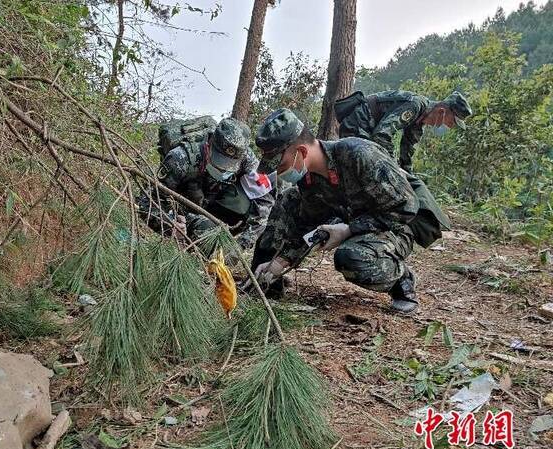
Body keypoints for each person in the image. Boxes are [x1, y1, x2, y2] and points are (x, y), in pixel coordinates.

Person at [250, 108, 450, 314]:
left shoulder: (360, 155)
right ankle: (264, 281)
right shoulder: (309, 180)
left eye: (281, 165)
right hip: (355, 221)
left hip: (397, 226)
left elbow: (406, 208)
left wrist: (349, 230)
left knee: (350, 258)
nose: (280, 172)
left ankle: (402, 280)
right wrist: (280, 262)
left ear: (301, 152)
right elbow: (308, 224)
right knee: (290, 198)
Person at [140, 117, 274, 249]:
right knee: (205, 227)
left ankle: (220, 243)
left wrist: (243, 244)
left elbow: (265, 200)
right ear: (209, 145)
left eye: (230, 165)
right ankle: (199, 245)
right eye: (219, 162)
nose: (223, 169)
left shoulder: (248, 159)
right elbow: (147, 203)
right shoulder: (180, 158)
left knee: (249, 208)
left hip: (217, 201)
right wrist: (170, 225)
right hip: (185, 207)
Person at [334, 90, 472, 172]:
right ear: (442, 111)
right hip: (359, 124)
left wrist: (407, 177)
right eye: (451, 121)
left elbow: (407, 154)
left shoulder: (419, 123)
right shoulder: (415, 106)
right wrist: (393, 167)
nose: (450, 126)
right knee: (359, 168)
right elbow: (381, 135)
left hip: (368, 130)